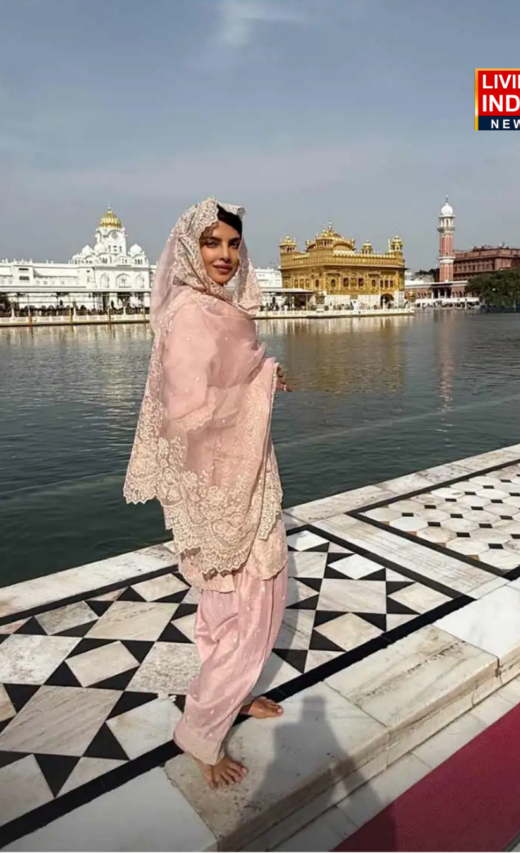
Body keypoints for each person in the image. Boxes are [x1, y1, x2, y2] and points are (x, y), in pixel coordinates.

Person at [124, 197, 291, 788]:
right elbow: (189, 411)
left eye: (232, 244)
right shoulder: (193, 314)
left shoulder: (219, 307)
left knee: (224, 609)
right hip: (222, 484)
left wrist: (260, 375)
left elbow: (229, 376)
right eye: (211, 243)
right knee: (257, 606)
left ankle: (234, 693)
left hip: (237, 473)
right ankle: (200, 728)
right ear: (190, 248)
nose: (224, 255)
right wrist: (262, 385)